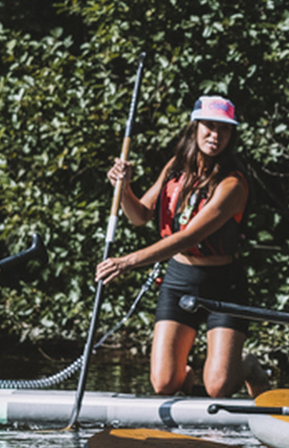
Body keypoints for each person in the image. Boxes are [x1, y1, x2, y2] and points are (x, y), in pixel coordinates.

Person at [95, 95, 265, 397]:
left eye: (224, 130)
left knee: (220, 386)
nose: (216, 136)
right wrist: (123, 189)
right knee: (163, 384)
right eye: (209, 127)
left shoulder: (233, 184)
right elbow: (140, 216)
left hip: (224, 283)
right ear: (195, 127)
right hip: (179, 280)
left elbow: (189, 237)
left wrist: (127, 262)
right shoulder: (176, 167)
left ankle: (247, 366)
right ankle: (187, 387)